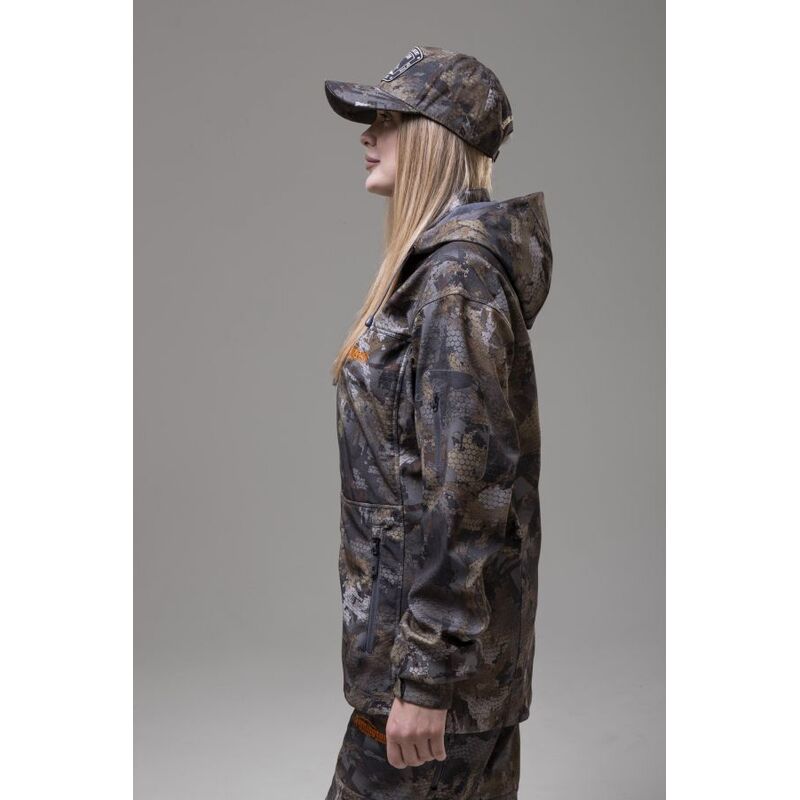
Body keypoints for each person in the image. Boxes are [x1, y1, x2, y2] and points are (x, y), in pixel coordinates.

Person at [322, 45, 553, 800]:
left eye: (388, 119)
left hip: (433, 685)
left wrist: (424, 679)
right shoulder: (440, 273)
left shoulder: (456, 281)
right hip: (448, 675)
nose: (368, 134)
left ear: (434, 137)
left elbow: (469, 492)